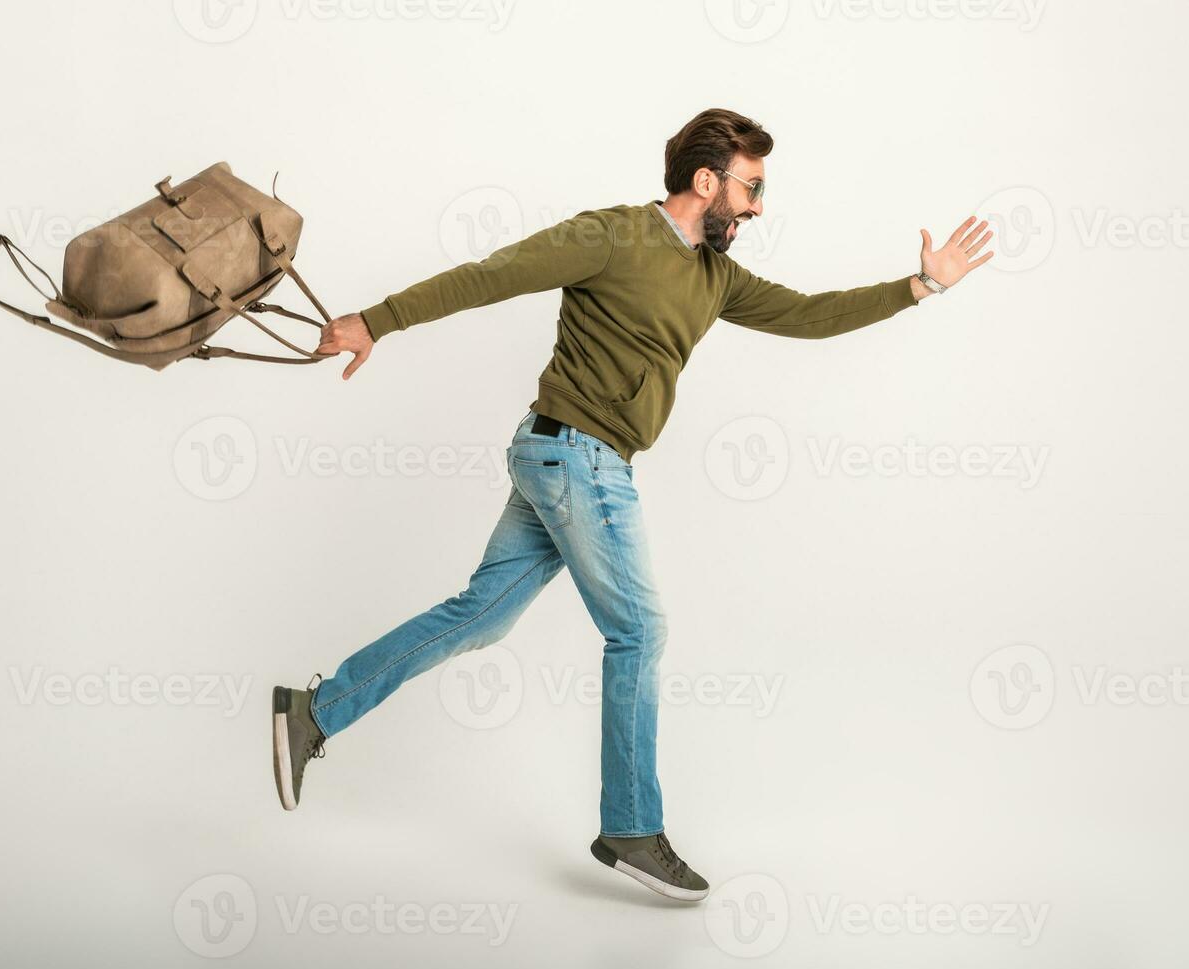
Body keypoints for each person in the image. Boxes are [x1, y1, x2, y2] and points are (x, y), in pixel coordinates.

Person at [271, 107, 993, 902]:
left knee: (483, 615)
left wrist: (921, 287)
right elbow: (490, 274)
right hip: (575, 454)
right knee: (640, 629)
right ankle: (631, 825)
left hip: (573, 458)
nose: (757, 207)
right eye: (750, 188)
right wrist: (376, 321)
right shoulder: (611, 235)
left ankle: (315, 710)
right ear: (706, 180)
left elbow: (810, 315)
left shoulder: (715, 278)